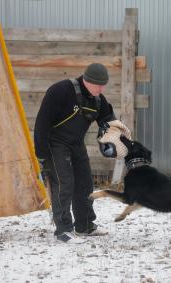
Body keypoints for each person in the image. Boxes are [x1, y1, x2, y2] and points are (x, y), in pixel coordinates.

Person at [34, 63, 116, 243]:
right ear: (87, 80)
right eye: (98, 85)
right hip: (55, 144)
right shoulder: (61, 91)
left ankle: (84, 225)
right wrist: (40, 154)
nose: (101, 89)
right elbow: (41, 123)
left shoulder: (98, 100)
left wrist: (114, 140)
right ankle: (63, 229)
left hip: (76, 144)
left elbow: (108, 122)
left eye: (104, 85)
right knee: (64, 183)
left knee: (85, 183)